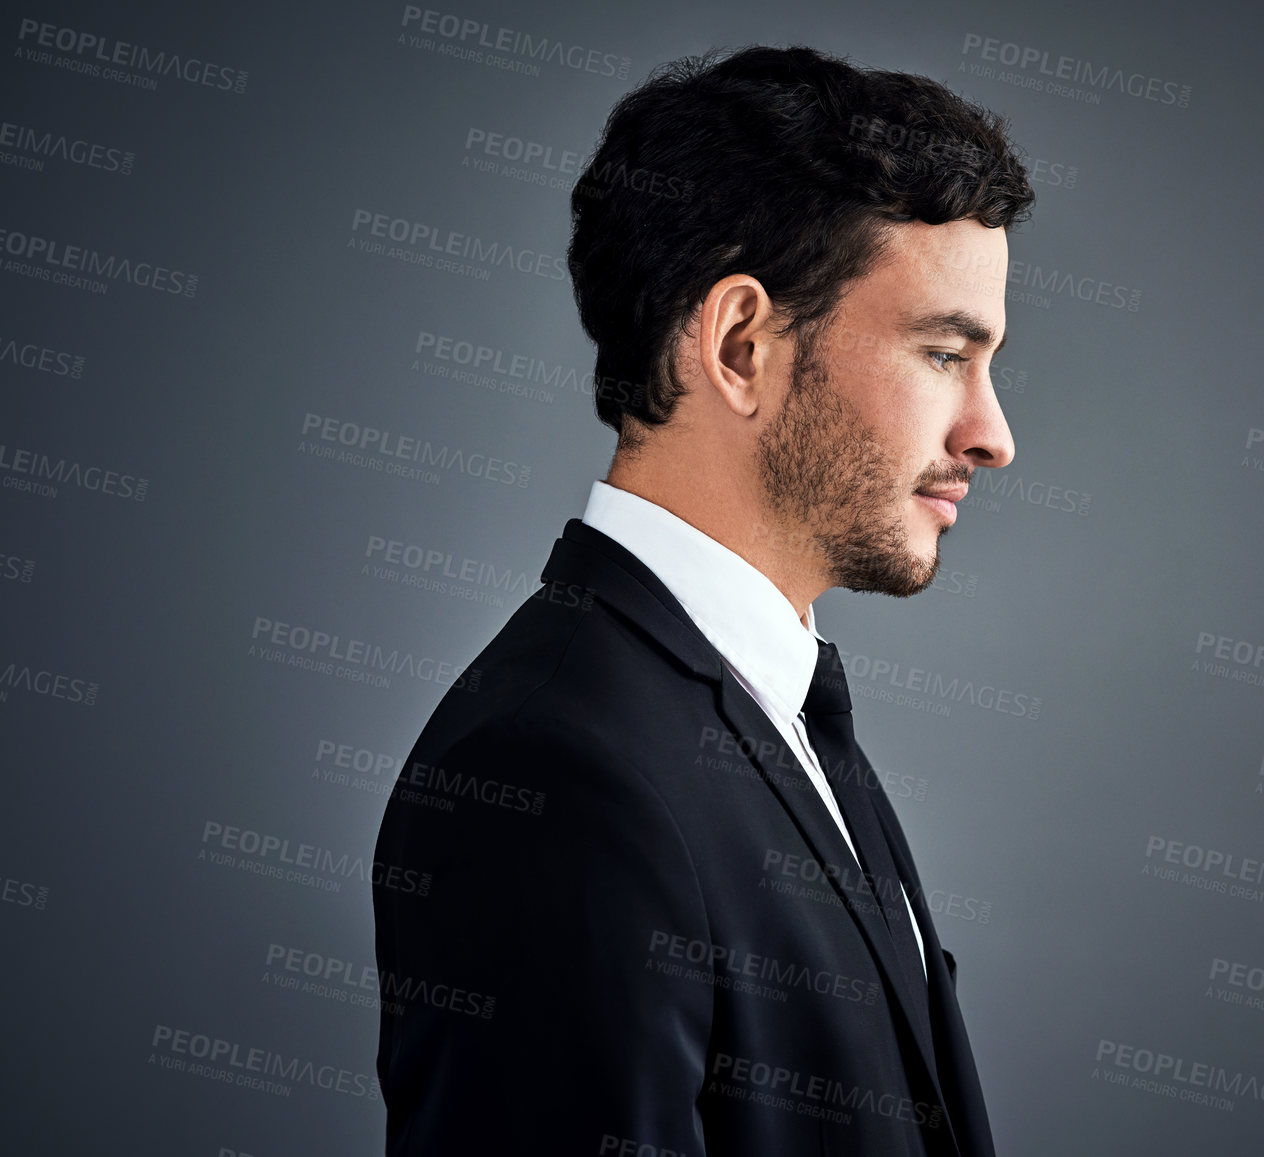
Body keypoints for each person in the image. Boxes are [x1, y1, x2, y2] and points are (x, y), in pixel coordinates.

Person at [372, 44, 1034, 1156]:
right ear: (741, 345)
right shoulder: (554, 770)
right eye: (941, 353)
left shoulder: (778, 709)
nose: (992, 434)